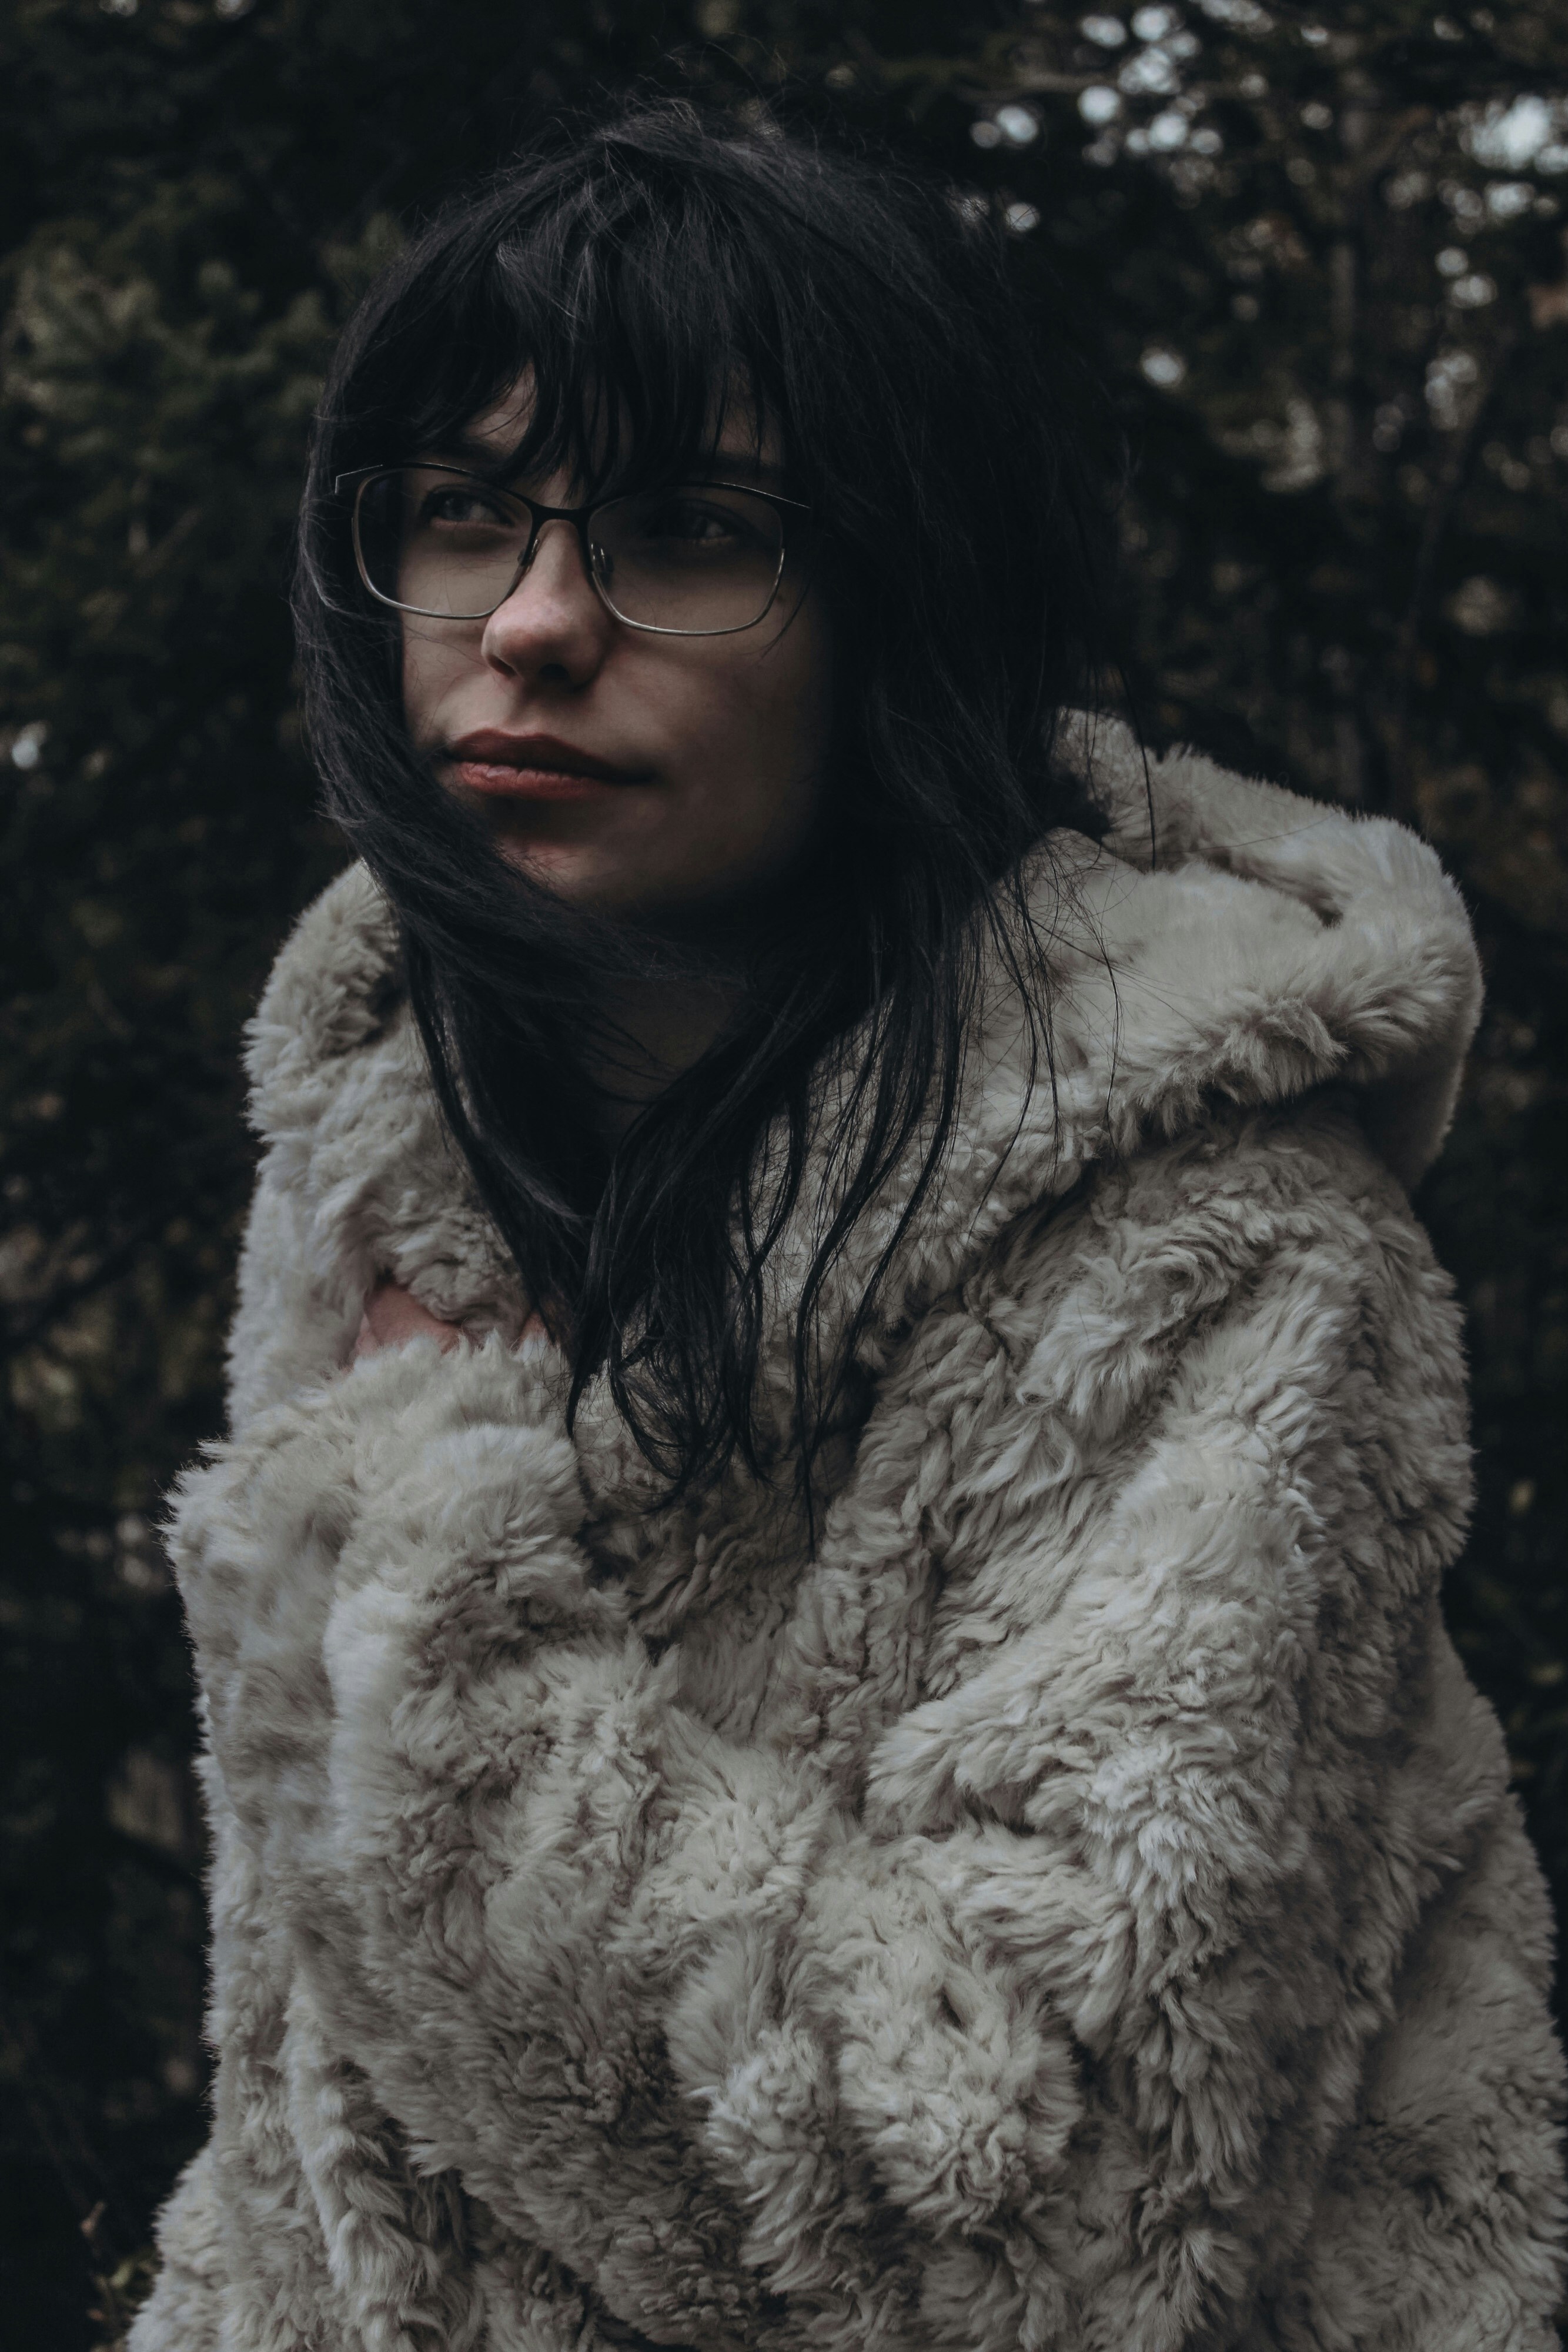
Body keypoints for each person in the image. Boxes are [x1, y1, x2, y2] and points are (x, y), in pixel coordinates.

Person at [129, 97, 1564, 2352]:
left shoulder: (1214, 1251)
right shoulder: (404, 1155)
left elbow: (1022, 2218)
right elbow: (316, 2113)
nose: (527, 623)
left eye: (691, 530)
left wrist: (416, 1597)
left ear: (905, 596)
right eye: (458, 515)